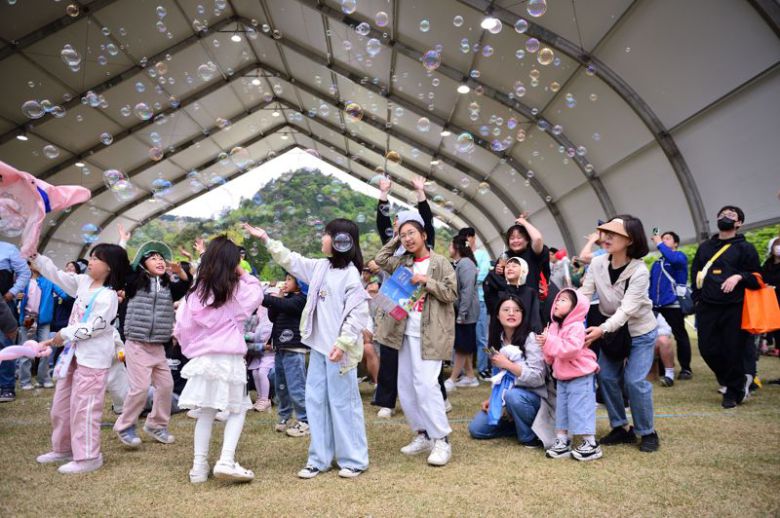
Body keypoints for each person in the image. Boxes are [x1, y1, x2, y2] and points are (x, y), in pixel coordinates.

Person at [243, 219, 371, 479]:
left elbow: (358, 314)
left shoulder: (351, 274)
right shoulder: (320, 267)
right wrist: (266, 239)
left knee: (343, 404)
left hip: (340, 352)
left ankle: (354, 460)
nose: (322, 238)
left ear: (340, 241)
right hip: (320, 350)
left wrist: (343, 343)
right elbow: (291, 260)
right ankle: (319, 459)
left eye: (326, 234)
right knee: (315, 402)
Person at [32, 244, 130, 474]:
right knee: (62, 405)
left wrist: (63, 334)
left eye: (96, 258)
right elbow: (57, 275)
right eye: (91, 257)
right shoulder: (83, 282)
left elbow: (94, 327)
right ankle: (63, 448)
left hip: (92, 360)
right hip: (72, 356)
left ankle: (88, 457)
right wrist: (36, 257)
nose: (90, 262)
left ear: (109, 266)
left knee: (84, 409)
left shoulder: (108, 296)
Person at [174, 236, 264, 484]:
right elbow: (257, 293)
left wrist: (192, 349)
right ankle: (225, 459)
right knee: (238, 409)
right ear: (232, 263)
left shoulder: (196, 293)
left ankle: (198, 468)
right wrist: (242, 273)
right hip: (230, 358)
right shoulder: (237, 291)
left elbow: (182, 326)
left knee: (206, 411)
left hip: (205, 358)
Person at [373, 214, 457, 467]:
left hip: (431, 334)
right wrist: (395, 238)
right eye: (403, 235)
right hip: (402, 332)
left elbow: (451, 293)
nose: (408, 238)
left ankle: (441, 439)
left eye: (412, 233)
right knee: (407, 386)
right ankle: (423, 434)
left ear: (424, 235)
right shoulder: (403, 261)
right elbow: (380, 259)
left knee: (426, 385)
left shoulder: (440, 262)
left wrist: (426, 281)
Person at [579, 216, 660, 453]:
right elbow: (585, 293)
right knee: (605, 377)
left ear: (630, 240)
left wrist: (601, 329)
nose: (606, 237)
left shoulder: (640, 271)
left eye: (614, 234)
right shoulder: (597, 263)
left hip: (639, 331)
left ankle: (647, 432)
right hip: (611, 331)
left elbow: (626, 311)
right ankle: (620, 428)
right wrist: (565, 307)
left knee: (634, 381)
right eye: (605, 232)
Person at [113, 241, 189, 448]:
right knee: (140, 388)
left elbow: (184, 287)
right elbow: (122, 269)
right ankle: (125, 426)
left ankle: (156, 424)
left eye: (161, 258)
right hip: (137, 344)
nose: (160, 261)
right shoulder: (133, 282)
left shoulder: (167, 286)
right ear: (142, 264)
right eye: (153, 258)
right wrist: (123, 242)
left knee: (166, 386)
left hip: (157, 345)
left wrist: (180, 272)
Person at [691, 206, 761, 408]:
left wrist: (739, 276)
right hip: (707, 306)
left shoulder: (746, 248)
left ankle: (732, 391)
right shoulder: (705, 247)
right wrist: (697, 299)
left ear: (739, 223)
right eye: (722, 214)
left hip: (735, 307)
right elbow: (695, 273)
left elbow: (757, 277)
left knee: (733, 350)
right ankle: (736, 380)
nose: (725, 217)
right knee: (707, 349)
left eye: (731, 215)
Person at [467, 294, 555, 448]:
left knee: (513, 396)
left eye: (517, 310)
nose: (511, 313)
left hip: (533, 398)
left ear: (523, 315)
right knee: (477, 429)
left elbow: (538, 378)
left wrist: (508, 364)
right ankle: (519, 425)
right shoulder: (496, 340)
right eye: (506, 309)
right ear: (497, 315)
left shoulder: (531, 339)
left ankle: (528, 437)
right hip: (508, 397)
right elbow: (499, 376)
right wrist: (493, 399)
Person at [540, 289, 601, 461]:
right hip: (562, 376)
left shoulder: (576, 327)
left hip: (581, 375)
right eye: (557, 299)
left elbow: (570, 349)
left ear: (576, 308)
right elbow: (551, 355)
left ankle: (591, 444)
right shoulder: (554, 327)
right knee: (562, 410)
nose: (557, 302)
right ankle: (562, 441)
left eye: (563, 300)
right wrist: (545, 345)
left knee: (581, 408)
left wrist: (549, 341)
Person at [261, 273, 309, 436]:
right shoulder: (285, 299)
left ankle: (304, 420)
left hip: (294, 349)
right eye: (285, 279)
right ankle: (285, 417)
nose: (285, 282)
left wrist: (263, 297)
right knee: (281, 386)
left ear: (299, 283)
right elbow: (272, 317)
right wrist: (278, 299)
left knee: (296, 386)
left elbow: (284, 306)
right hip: (280, 348)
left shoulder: (301, 299)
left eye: (289, 279)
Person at [648, 231, 693, 380]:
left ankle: (686, 369)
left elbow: (673, 258)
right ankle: (661, 368)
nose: (663, 240)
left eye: (667, 239)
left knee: (680, 335)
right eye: (662, 238)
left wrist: (659, 243)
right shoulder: (657, 263)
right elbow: (651, 283)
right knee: (654, 336)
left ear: (676, 244)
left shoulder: (679, 256)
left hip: (673, 304)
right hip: (656, 305)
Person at [17, 260, 67, 389]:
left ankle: (43, 379)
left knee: (46, 350)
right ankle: (25, 381)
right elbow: (14, 296)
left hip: (43, 321)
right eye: (35, 263)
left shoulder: (49, 281)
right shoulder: (23, 280)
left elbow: (64, 294)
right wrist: (17, 296)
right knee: (26, 351)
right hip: (27, 320)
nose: (38, 265)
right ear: (29, 266)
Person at [445, 235, 480, 392]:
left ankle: (452, 379)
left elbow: (467, 290)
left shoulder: (465, 264)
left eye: (450, 245)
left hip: (466, 312)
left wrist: (462, 314)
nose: (449, 248)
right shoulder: (462, 263)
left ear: (457, 247)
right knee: (463, 344)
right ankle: (470, 377)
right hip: (463, 310)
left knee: (461, 347)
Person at [458, 228, 492, 381]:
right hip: (464, 301)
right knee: (463, 336)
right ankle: (462, 370)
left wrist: (468, 280)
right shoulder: (461, 256)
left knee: (481, 337)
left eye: (468, 237)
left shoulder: (482, 255)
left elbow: (482, 274)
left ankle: (483, 368)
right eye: (463, 238)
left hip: (480, 300)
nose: (466, 240)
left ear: (473, 238)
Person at [0, 241, 31, 403]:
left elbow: (25, 272)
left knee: (5, 344)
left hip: (4, 302)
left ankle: (6, 387)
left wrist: (12, 293)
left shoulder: (8, 248)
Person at [483, 256, 543, 333]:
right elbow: (489, 288)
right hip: (503, 336)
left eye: (514, 266)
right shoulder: (500, 293)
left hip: (525, 336)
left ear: (524, 270)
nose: (510, 268)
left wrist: (536, 335)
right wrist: (495, 273)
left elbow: (535, 319)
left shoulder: (530, 292)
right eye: (507, 266)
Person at [245, 306, 274, 412]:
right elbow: (257, 335)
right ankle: (260, 397)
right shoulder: (258, 318)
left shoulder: (271, 320)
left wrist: (249, 336)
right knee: (255, 373)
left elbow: (263, 336)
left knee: (262, 372)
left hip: (269, 354)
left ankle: (265, 399)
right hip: (259, 353)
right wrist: (247, 336)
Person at [759, 237, 780, 355]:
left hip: (778, 295)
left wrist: (775, 287)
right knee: (770, 321)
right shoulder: (768, 263)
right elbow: (762, 277)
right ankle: (766, 344)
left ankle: (778, 347)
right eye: (776, 245)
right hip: (769, 298)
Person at [654, 313, 676, 387]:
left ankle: (669, 375)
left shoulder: (655, 314)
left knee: (664, 340)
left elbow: (667, 330)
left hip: (648, 346)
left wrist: (648, 334)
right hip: (632, 346)